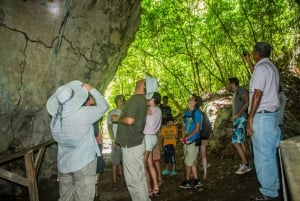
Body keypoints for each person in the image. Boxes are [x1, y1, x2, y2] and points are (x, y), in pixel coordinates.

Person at [46, 80, 108, 201]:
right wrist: (91, 89)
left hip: (64, 164)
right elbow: (104, 106)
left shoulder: (54, 120)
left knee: (65, 198)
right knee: (84, 197)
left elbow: (56, 139)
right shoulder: (84, 113)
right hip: (84, 162)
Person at [245, 42, 281, 201]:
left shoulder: (261, 68)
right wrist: (247, 62)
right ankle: (274, 186)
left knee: (262, 156)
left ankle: (268, 192)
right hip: (272, 116)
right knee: (271, 154)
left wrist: (250, 117)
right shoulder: (272, 68)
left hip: (261, 117)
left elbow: (258, 93)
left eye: (253, 52)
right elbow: (258, 80)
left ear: (257, 53)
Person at [113, 76, 157, 201]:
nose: (140, 79)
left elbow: (130, 120)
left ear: (143, 86)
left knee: (133, 180)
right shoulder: (143, 100)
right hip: (137, 141)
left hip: (131, 144)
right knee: (140, 176)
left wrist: (116, 118)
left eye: (143, 80)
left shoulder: (134, 100)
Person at [228, 77, 252, 175]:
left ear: (232, 84)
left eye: (228, 83)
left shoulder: (240, 90)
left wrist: (237, 115)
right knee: (241, 141)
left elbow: (247, 102)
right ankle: (245, 163)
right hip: (238, 120)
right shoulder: (235, 93)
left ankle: (246, 165)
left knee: (235, 142)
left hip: (240, 119)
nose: (227, 85)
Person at [179, 95, 202, 189]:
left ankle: (187, 181)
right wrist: (183, 136)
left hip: (193, 141)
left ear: (195, 102)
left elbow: (197, 129)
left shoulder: (197, 113)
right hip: (186, 140)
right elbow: (183, 126)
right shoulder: (186, 112)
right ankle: (196, 181)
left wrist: (187, 137)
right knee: (192, 161)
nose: (189, 99)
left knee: (188, 162)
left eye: (192, 98)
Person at [85, 96, 105, 197]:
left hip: (95, 142)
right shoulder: (89, 110)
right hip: (94, 143)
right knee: (94, 167)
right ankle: (94, 190)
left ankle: (94, 190)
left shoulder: (91, 109)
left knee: (94, 167)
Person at [143, 92, 162, 197]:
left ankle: (149, 189)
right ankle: (156, 188)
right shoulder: (158, 110)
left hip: (148, 138)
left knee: (143, 165)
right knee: (150, 164)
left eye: (149, 98)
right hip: (153, 137)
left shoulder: (149, 109)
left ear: (153, 99)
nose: (147, 99)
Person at [107, 94, 126, 191]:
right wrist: (113, 141)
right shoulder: (112, 112)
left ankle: (125, 179)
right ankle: (114, 182)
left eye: (123, 100)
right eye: (121, 100)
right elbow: (110, 128)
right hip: (117, 141)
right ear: (117, 101)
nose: (122, 101)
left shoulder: (127, 112)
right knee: (115, 162)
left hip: (126, 141)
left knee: (125, 162)